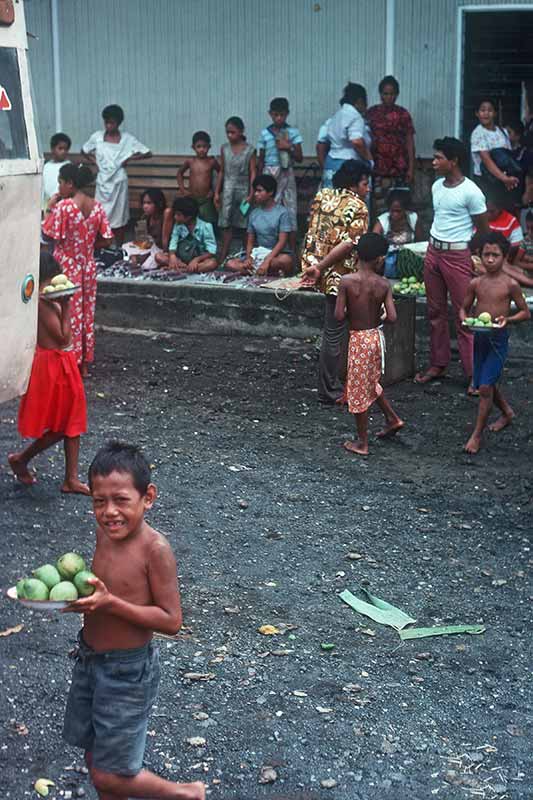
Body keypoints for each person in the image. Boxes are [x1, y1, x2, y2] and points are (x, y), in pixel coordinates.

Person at [61, 440, 205, 800]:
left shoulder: (154, 550)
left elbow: (172, 620)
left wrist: (111, 604)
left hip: (126, 673)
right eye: (98, 501)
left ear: (148, 497)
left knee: (111, 774)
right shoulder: (105, 534)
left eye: (121, 500)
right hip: (89, 659)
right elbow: (102, 589)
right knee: (96, 758)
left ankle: (185, 793)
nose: (110, 512)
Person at [8, 253, 88, 494]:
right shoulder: (41, 302)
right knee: (63, 425)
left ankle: (71, 478)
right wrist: (66, 306)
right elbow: (63, 337)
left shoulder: (46, 299)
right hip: (52, 364)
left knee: (73, 420)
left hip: (63, 361)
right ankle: (21, 458)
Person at [415, 137, 488, 389]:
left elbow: (483, 229)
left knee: (464, 315)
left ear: (453, 161)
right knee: (435, 312)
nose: (434, 162)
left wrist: (466, 251)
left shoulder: (472, 192)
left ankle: (474, 375)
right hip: (434, 251)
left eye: (438, 158)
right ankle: (438, 363)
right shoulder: (437, 186)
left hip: (457, 255)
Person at [301, 160, 370, 403]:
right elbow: (350, 244)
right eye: (365, 183)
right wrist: (322, 266)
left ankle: (334, 384)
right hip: (342, 275)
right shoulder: (358, 206)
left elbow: (312, 232)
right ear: (354, 184)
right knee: (335, 333)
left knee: (334, 331)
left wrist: (313, 264)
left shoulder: (323, 196)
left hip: (318, 269)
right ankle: (330, 390)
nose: (368, 188)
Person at [334, 233, 404, 455]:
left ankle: (362, 442)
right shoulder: (383, 284)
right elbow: (392, 317)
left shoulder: (346, 282)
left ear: (356, 254)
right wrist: (379, 316)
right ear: (379, 259)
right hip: (375, 337)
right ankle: (392, 418)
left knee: (357, 389)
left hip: (358, 339)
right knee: (369, 381)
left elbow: (338, 315)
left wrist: (351, 311)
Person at [460, 232, 530, 454]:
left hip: (498, 340)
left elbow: (525, 312)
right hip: (480, 337)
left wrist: (507, 319)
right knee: (485, 382)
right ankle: (507, 413)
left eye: (495, 255)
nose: (490, 259)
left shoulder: (510, 285)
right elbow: (464, 307)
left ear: (504, 257)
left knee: (485, 387)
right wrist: (463, 319)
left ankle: (476, 435)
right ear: (480, 256)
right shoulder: (476, 283)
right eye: (486, 255)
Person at [43, 163, 113, 377]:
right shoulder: (97, 206)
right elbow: (108, 239)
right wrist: (88, 246)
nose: (59, 187)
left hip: (66, 266)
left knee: (66, 313)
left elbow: (48, 234)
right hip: (88, 266)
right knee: (86, 314)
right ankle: (84, 364)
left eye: (60, 182)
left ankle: (69, 361)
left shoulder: (64, 207)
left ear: (70, 183)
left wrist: (48, 208)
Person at [82, 104, 151, 246]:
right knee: (100, 214)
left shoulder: (127, 139)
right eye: (106, 122)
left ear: (118, 123)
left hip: (119, 182)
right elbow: (84, 150)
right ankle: (100, 246)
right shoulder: (97, 137)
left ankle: (118, 247)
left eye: (112, 122)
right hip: (102, 183)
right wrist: (95, 162)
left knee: (119, 216)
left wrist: (128, 159)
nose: (108, 125)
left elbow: (147, 153)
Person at [257, 97, 303, 252]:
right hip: (269, 174)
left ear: (287, 114)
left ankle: (292, 252)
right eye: (275, 115)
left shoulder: (292, 132)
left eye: (282, 115)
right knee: (270, 207)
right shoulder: (265, 133)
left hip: (286, 173)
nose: (279, 118)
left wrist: (288, 146)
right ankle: (269, 249)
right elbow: (261, 159)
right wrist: (257, 183)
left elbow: (299, 157)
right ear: (270, 114)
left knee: (290, 211)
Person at [225, 174, 293, 276]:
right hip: (259, 254)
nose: (256, 194)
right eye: (255, 191)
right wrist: (248, 258)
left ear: (270, 192)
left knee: (285, 261)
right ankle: (260, 270)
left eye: (259, 191)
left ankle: (261, 270)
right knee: (230, 263)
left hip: (276, 255)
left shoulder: (282, 213)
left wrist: (267, 261)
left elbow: (282, 242)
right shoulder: (254, 213)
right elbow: (250, 241)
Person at [367, 75, 416, 214]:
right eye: (385, 94)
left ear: (397, 94)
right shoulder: (372, 113)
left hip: (399, 168)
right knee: (378, 207)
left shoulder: (403, 114)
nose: (389, 97)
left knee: (398, 206)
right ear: (380, 94)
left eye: (392, 94)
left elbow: (409, 141)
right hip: (377, 168)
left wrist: (411, 168)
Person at [214, 117, 256, 264]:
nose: (230, 135)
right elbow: (222, 172)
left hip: (243, 191)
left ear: (241, 131)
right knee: (226, 223)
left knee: (244, 224)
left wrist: (251, 194)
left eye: (233, 132)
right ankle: (223, 254)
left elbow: (253, 173)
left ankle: (246, 255)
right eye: (227, 132)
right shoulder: (224, 148)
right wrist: (216, 192)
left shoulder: (250, 150)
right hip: (227, 190)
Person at [323, 83, 372, 189]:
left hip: (332, 162)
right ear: (360, 101)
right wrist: (369, 159)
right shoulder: (355, 116)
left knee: (333, 200)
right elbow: (357, 142)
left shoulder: (337, 115)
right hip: (349, 165)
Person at [470, 99, 519, 196]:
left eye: (490, 110)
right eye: (482, 110)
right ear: (477, 113)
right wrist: (504, 178)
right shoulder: (478, 133)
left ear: (495, 113)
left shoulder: (502, 131)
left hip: (503, 180)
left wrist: (507, 178)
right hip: (486, 181)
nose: (486, 113)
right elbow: (487, 160)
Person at [164, 196, 217, 274]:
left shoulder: (206, 226)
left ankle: (181, 270)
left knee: (212, 263)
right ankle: (184, 268)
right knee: (159, 256)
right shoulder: (178, 225)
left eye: (178, 215)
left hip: (198, 260)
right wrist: (172, 255)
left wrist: (196, 259)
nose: (175, 217)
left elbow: (211, 251)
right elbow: (173, 241)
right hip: (181, 260)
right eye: (175, 214)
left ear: (189, 217)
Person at [177, 131, 220, 226]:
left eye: (205, 147)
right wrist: (183, 189)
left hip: (206, 199)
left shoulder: (212, 161)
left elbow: (221, 173)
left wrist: (214, 191)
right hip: (191, 197)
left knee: (208, 222)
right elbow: (179, 173)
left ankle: (208, 238)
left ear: (209, 147)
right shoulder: (190, 161)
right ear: (193, 147)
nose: (202, 149)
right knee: (190, 220)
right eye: (199, 146)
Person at [42, 132, 71, 211]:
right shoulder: (46, 167)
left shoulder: (68, 166)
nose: (63, 152)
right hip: (47, 202)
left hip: (63, 204)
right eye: (60, 148)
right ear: (52, 149)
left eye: (66, 149)